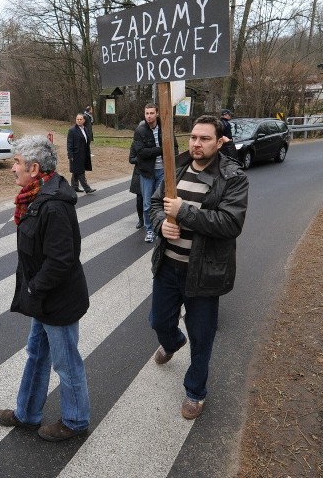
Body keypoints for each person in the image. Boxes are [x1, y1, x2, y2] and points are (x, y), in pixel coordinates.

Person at [149, 115, 249, 420]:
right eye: (193, 137)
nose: (196, 143)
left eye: (204, 139)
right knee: (159, 321)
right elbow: (155, 205)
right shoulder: (175, 168)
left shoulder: (233, 177)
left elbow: (231, 223)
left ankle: (195, 392)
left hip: (205, 272)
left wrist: (185, 213)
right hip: (168, 266)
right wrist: (161, 224)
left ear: (220, 142)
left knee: (202, 335)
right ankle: (172, 341)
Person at [0, 135, 91, 442]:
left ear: (34, 169)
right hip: (44, 298)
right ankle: (27, 413)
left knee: (66, 362)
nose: (12, 168)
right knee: (36, 353)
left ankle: (75, 421)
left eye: (17, 163)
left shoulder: (53, 205)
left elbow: (62, 260)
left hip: (56, 300)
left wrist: (34, 289)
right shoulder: (35, 199)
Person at [132, 103, 176, 243]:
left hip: (163, 171)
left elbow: (173, 147)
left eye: (151, 113)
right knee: (147, 203)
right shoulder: (140, 131)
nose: (149, 116)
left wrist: (174, 161)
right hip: (147, 172)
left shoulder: (166, 127)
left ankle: (160, 227)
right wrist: (162, 149)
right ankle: (149, 230)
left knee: (162, 202)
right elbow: (141, 153)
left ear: (157, 113)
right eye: (147, 113)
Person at [67, 113, 96, 194]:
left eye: (80, 119)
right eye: (77, 119)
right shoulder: (72, 130)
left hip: (84, 154)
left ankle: (74, 187)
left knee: (76, 171)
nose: (79, 121)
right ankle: (87, 189)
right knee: (80, 172)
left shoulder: (85, 129)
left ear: (84, 120)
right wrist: (70, 155)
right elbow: (69, 144)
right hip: (76, 154)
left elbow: (86, 142)